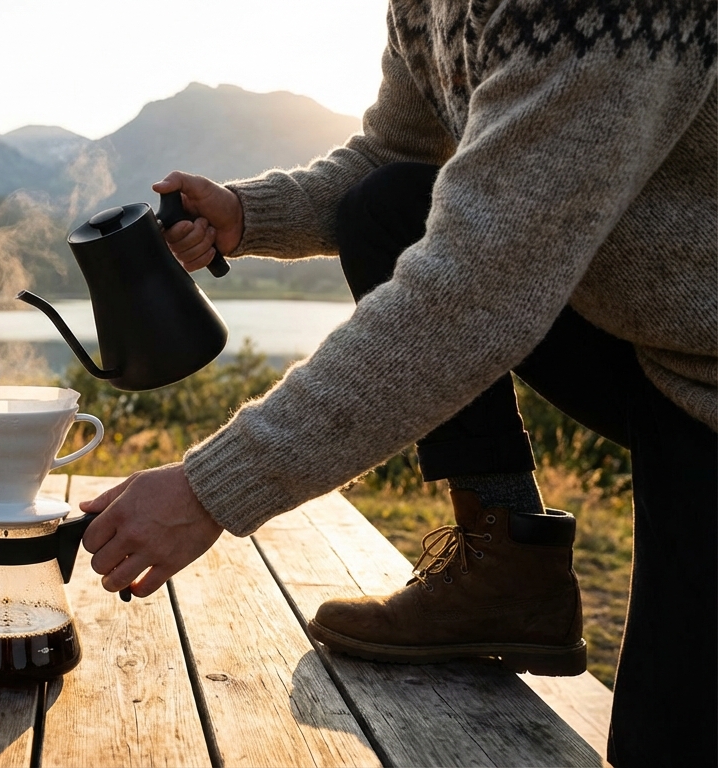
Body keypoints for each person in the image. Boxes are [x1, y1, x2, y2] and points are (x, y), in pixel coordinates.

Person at [77, 2, 716, 765]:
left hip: (705, 374)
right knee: (387, 207)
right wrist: (247, 215)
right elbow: (393, 156)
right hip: (650, 335)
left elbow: (474, 286)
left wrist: (208, 488)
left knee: (668, 741)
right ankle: (507, 568)